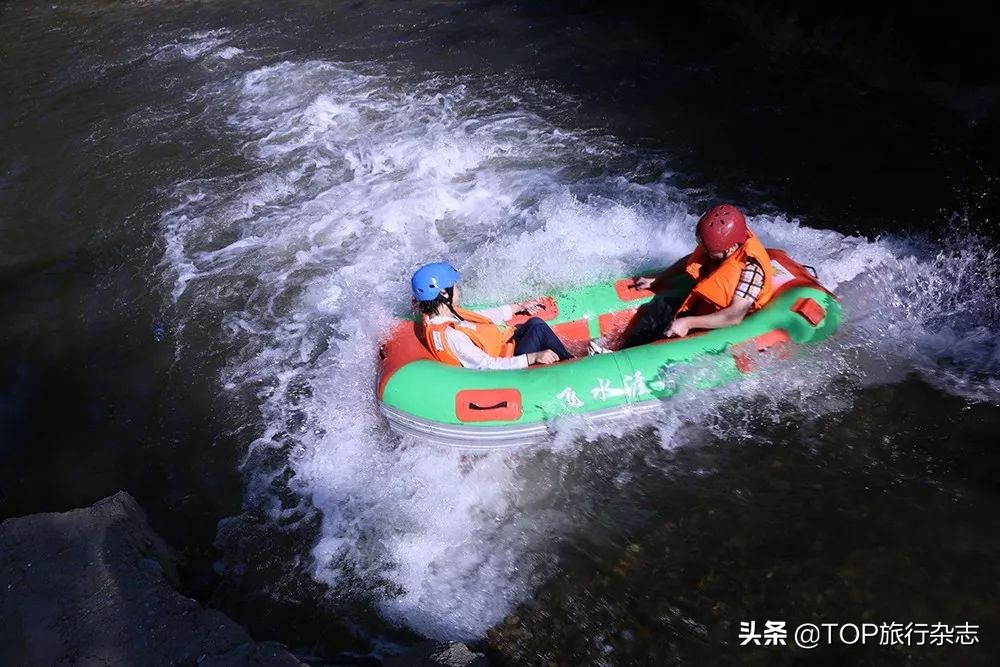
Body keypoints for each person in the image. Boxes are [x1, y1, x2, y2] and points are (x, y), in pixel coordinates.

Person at [619, 204, 776, 348]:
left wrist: (688, 323)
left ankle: (634, 357)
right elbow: (692, 260)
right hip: (706, 307)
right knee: (662, 305)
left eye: (708, 249)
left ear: (731, 248)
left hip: (726, 323)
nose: (704, 251)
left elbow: (734, 315)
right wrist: (659, 279)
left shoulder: (752, 270)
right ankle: (622, 349)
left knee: (672, 334)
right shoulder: (720, 246)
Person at [412, 262, 574, 369]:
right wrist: (533, 357)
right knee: (539, 329)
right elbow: (488, 365)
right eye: (455, 287)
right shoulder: (452, 335)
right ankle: (571, 364)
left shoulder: (443, 316)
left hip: (504, 349)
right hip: (504, 367)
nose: (458, 290)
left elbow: (480, 317)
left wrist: (518, 306)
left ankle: (562, 358)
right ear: (443, 293)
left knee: (533, 324)